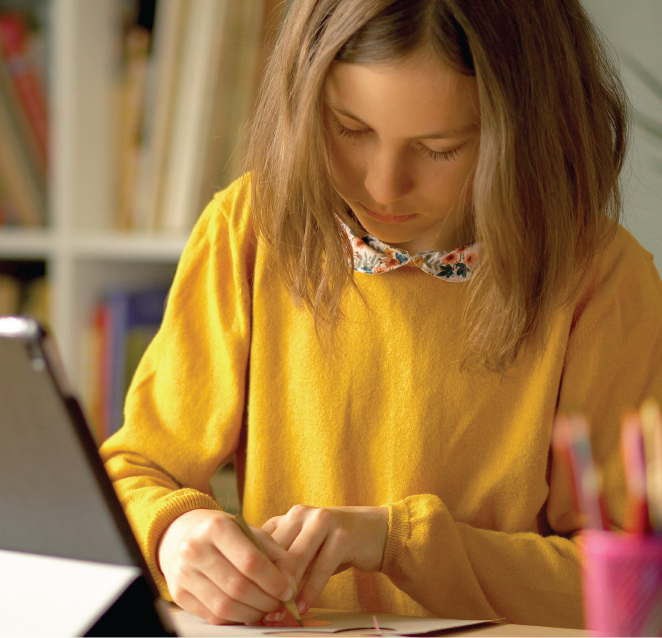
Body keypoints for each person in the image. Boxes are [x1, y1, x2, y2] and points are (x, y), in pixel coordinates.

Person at [100, 0, 662, 629]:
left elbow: (630, 582)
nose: (382, 186)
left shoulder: (603, 282)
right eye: (350, 128)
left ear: (531, 130)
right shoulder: (251, 232)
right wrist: (174, 535)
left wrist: (399, 543)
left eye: (439, 148)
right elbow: (131, 473)